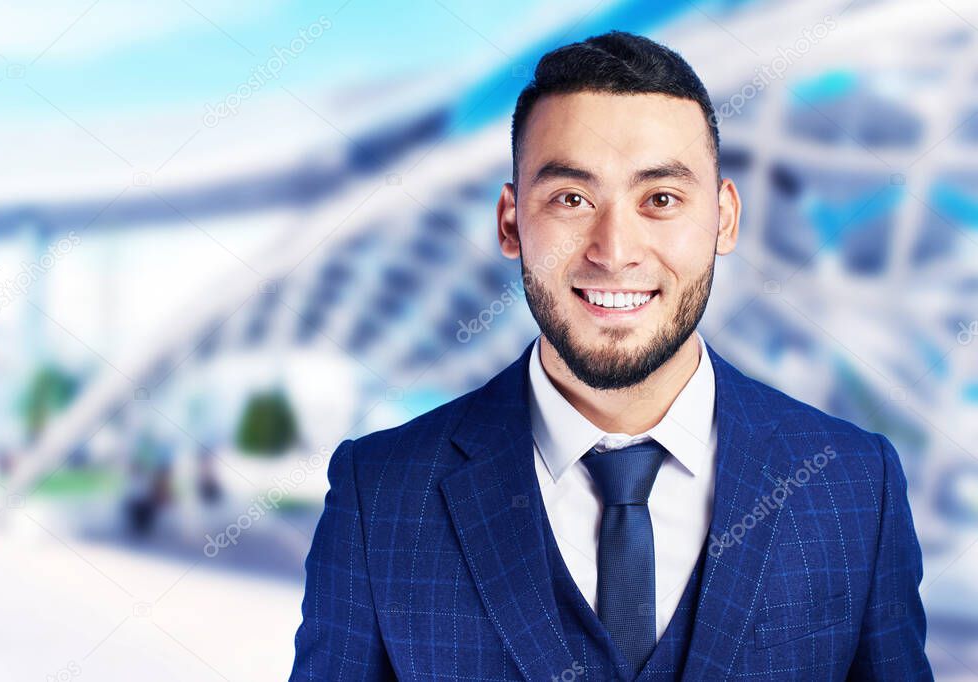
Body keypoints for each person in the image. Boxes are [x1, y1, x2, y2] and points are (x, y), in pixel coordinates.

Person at [287, 31, 931, 681]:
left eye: (660, 199)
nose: (614, 249)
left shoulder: (853, 484)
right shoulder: (381, 496)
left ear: (724, 219)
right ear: (510, 222)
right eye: (571, 199)